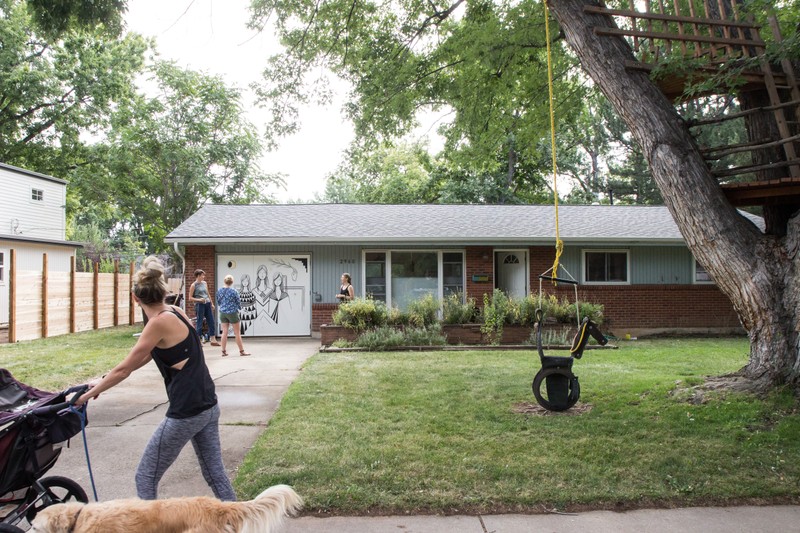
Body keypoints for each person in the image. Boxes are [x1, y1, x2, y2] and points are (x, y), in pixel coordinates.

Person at [75, 256, 236, 501]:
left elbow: (124, 369)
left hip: (187, 411)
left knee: (145, 477)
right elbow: (150, 355)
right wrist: (103, 380)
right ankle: (237, 522)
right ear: (163, 291)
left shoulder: (157, 323)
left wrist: (85, 396)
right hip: (208, 405)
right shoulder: (177, 312)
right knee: (215, 473)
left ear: (135, 298)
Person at [216, 275, 251, 357]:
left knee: (224, 332)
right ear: (232, 282)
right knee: (237, 333)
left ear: (224, 281)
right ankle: (242, 351)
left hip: (222, 313)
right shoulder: (234, 291)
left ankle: (223, 351)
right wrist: (239, 308)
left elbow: (218, 302)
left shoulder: (219, 290)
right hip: (232, 313)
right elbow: (238, 302)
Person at [189, 269, 220, 346]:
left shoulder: (204, 283)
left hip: (207, 303)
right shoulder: (193, 285)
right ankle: (198, 341)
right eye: (202, 275)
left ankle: (213, 340)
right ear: (198, 276)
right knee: (199, 322)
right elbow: (190, 298)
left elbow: (208, 294)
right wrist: (199, 299)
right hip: (200, 305)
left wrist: (212, 303)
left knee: (211, 321)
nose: (204, 277)